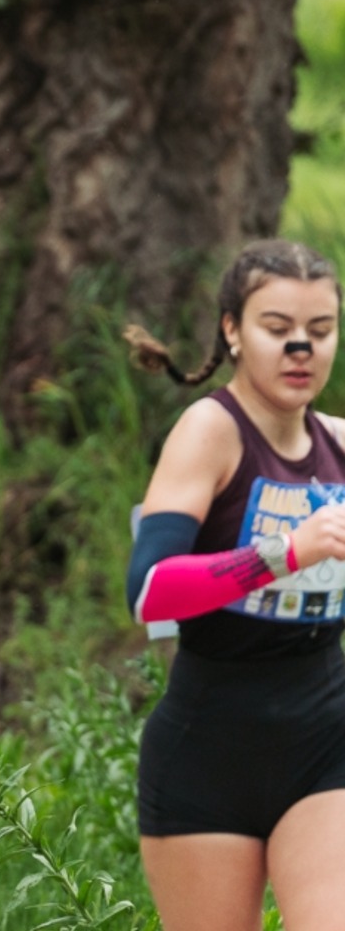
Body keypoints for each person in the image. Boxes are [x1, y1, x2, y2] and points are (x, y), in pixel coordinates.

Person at [123, 239, 345, 931]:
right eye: (278, 328)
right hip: (208, 757)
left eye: (320, 330)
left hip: (326, 744)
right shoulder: (210, 432)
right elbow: (149, 592)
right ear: (233, 331)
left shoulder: (341, 444)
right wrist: (286, 553)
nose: (301, 348)